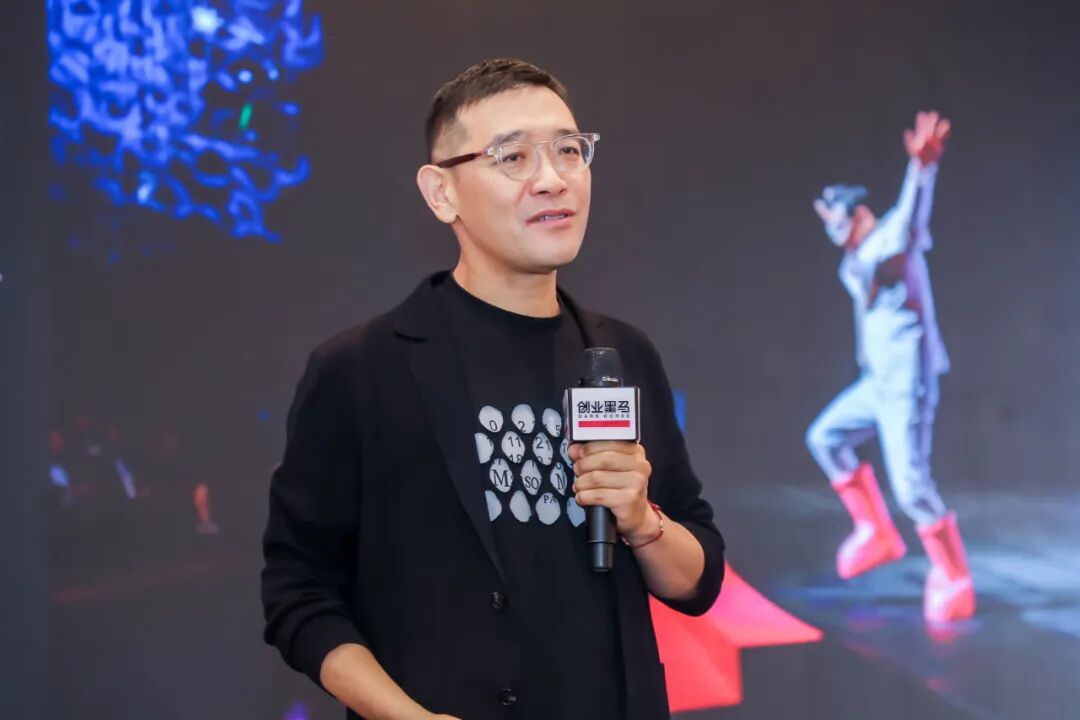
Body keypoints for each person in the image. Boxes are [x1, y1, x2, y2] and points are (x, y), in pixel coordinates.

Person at [260, 58, 725, 720]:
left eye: (570, 151)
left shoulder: (621, 356)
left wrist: (641, 520)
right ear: (441, 192)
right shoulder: (360, 369)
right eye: (514, 157)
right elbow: (299, 594)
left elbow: (698, 581)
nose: (553, 179)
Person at [806, 111, 975, 624]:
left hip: (906, 386)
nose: (832, 226)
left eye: (837, 216)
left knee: (911, 486)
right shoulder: (856, 258)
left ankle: (954, 575)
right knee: (825, 439)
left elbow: (911, 217)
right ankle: (875, 530)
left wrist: (922, 169)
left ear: (858, 213)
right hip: (875, 383)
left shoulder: (889, 241)